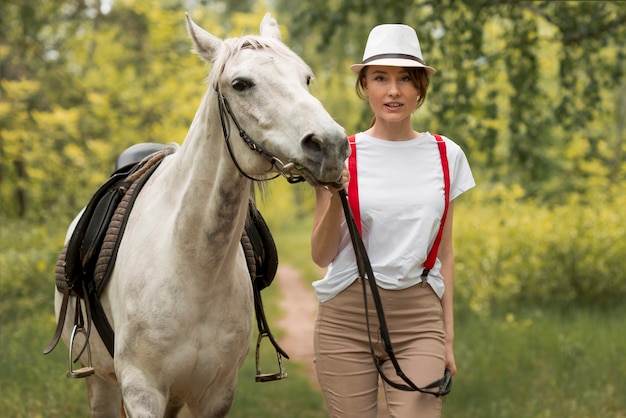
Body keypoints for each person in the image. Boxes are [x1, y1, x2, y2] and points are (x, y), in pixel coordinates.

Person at [311, 24, 475, 417]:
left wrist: (447, 337)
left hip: (420, 319)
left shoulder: (445, 154)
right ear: (365, 85)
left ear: (420, 88)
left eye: (405, 79)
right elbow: (321, 255)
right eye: (381, 78)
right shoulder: (340, 153)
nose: (393, 91)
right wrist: (337, 191)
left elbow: (446, 253)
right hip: (346, 317)